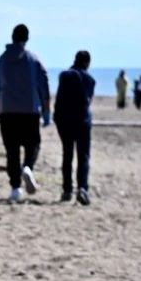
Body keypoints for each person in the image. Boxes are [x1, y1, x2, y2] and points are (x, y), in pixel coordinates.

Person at [0, 23, 50, 202]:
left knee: (11, 150)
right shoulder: (32, 59)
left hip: (7, 111)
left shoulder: (2, 60)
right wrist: (47, 111)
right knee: (33, 144)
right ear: (27, 38)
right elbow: (44, 86)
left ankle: (15, 188)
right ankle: (28, 167)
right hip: (29, 111)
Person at [54, 50, 96, 206]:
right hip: (82, 121)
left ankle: (66, 190)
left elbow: (59, 98)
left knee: (67, 155)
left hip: (65, 121)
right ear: (87, 63)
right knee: (83, 156)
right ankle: (82, 188)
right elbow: (88, 101)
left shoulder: (64, 75)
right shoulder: (90, 79)